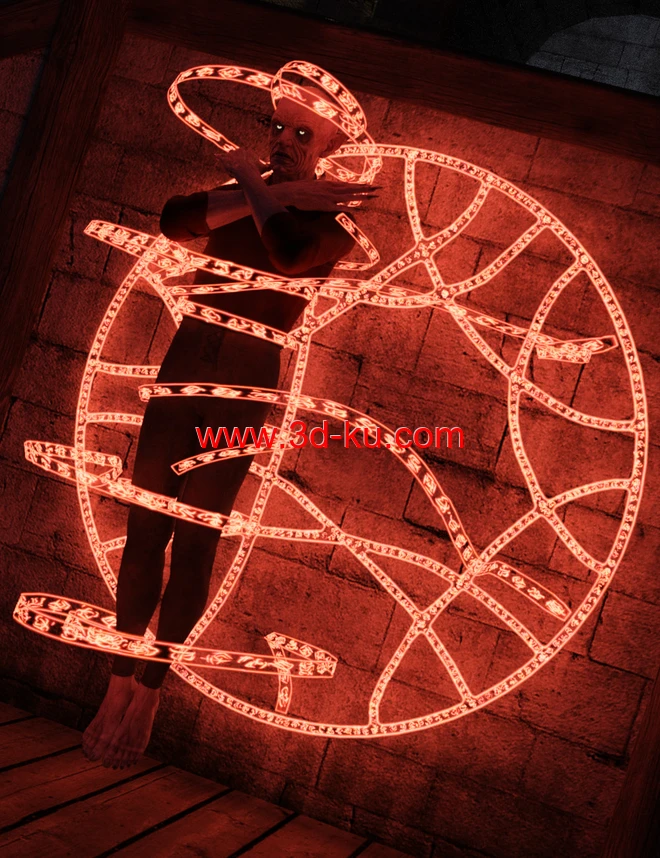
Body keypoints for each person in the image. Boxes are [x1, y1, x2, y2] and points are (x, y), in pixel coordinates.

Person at [81, 88, 379, 769]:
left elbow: (290, 252)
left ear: (335, 144)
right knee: (145, 531)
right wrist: (266, 188)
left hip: (241, 391)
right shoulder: (244, 196)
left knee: (195, 541)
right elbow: (175, 220)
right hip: (181, 375)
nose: (282, 140)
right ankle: (119, 679)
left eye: (303, 133)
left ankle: (150, 691)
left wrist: (253, 180)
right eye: (277, 127)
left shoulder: (334, 221)